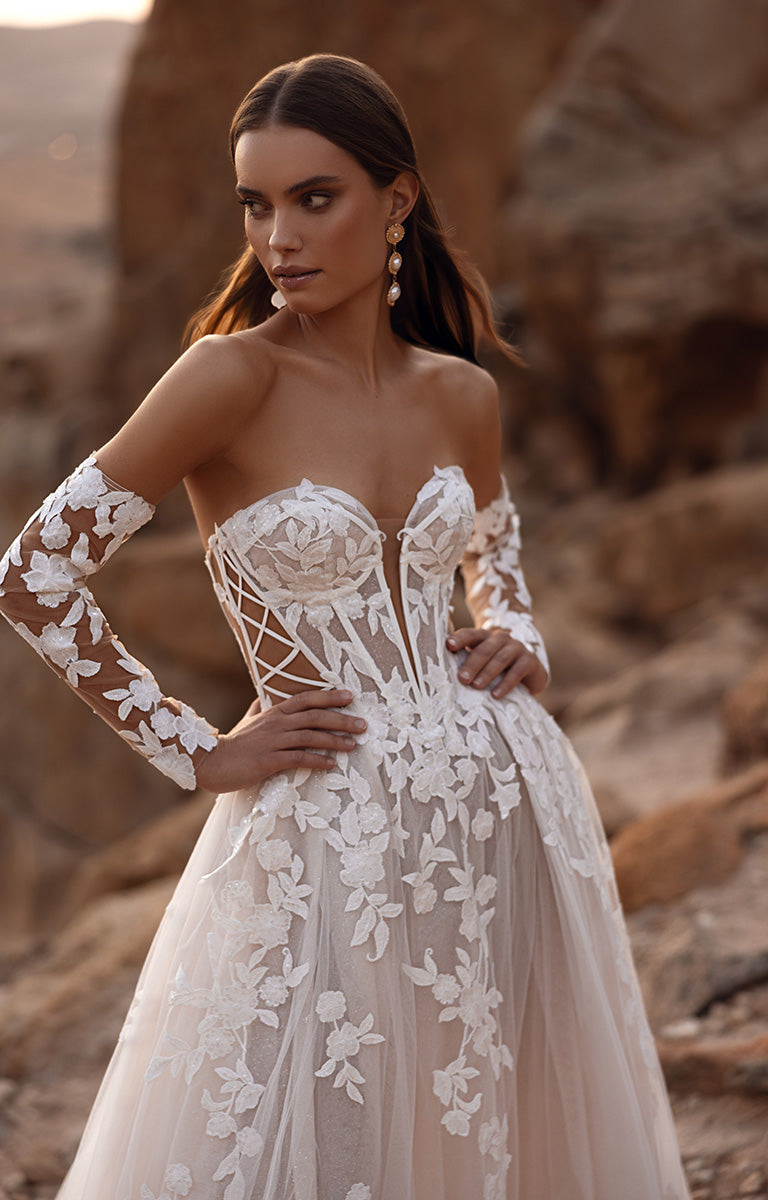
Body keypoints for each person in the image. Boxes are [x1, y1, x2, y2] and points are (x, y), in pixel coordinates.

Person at [0, 53, 690, 1200]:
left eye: (315, 198)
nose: (281, 236)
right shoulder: (227, 380)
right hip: (328, 830)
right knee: (315, 1132)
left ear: (396, 201)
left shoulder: (459, 393)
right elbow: (32, 574)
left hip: (502, 806)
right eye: (256, 205)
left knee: (485, 1124)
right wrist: (197, 749)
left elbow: (493, 550)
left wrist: (516, 631)